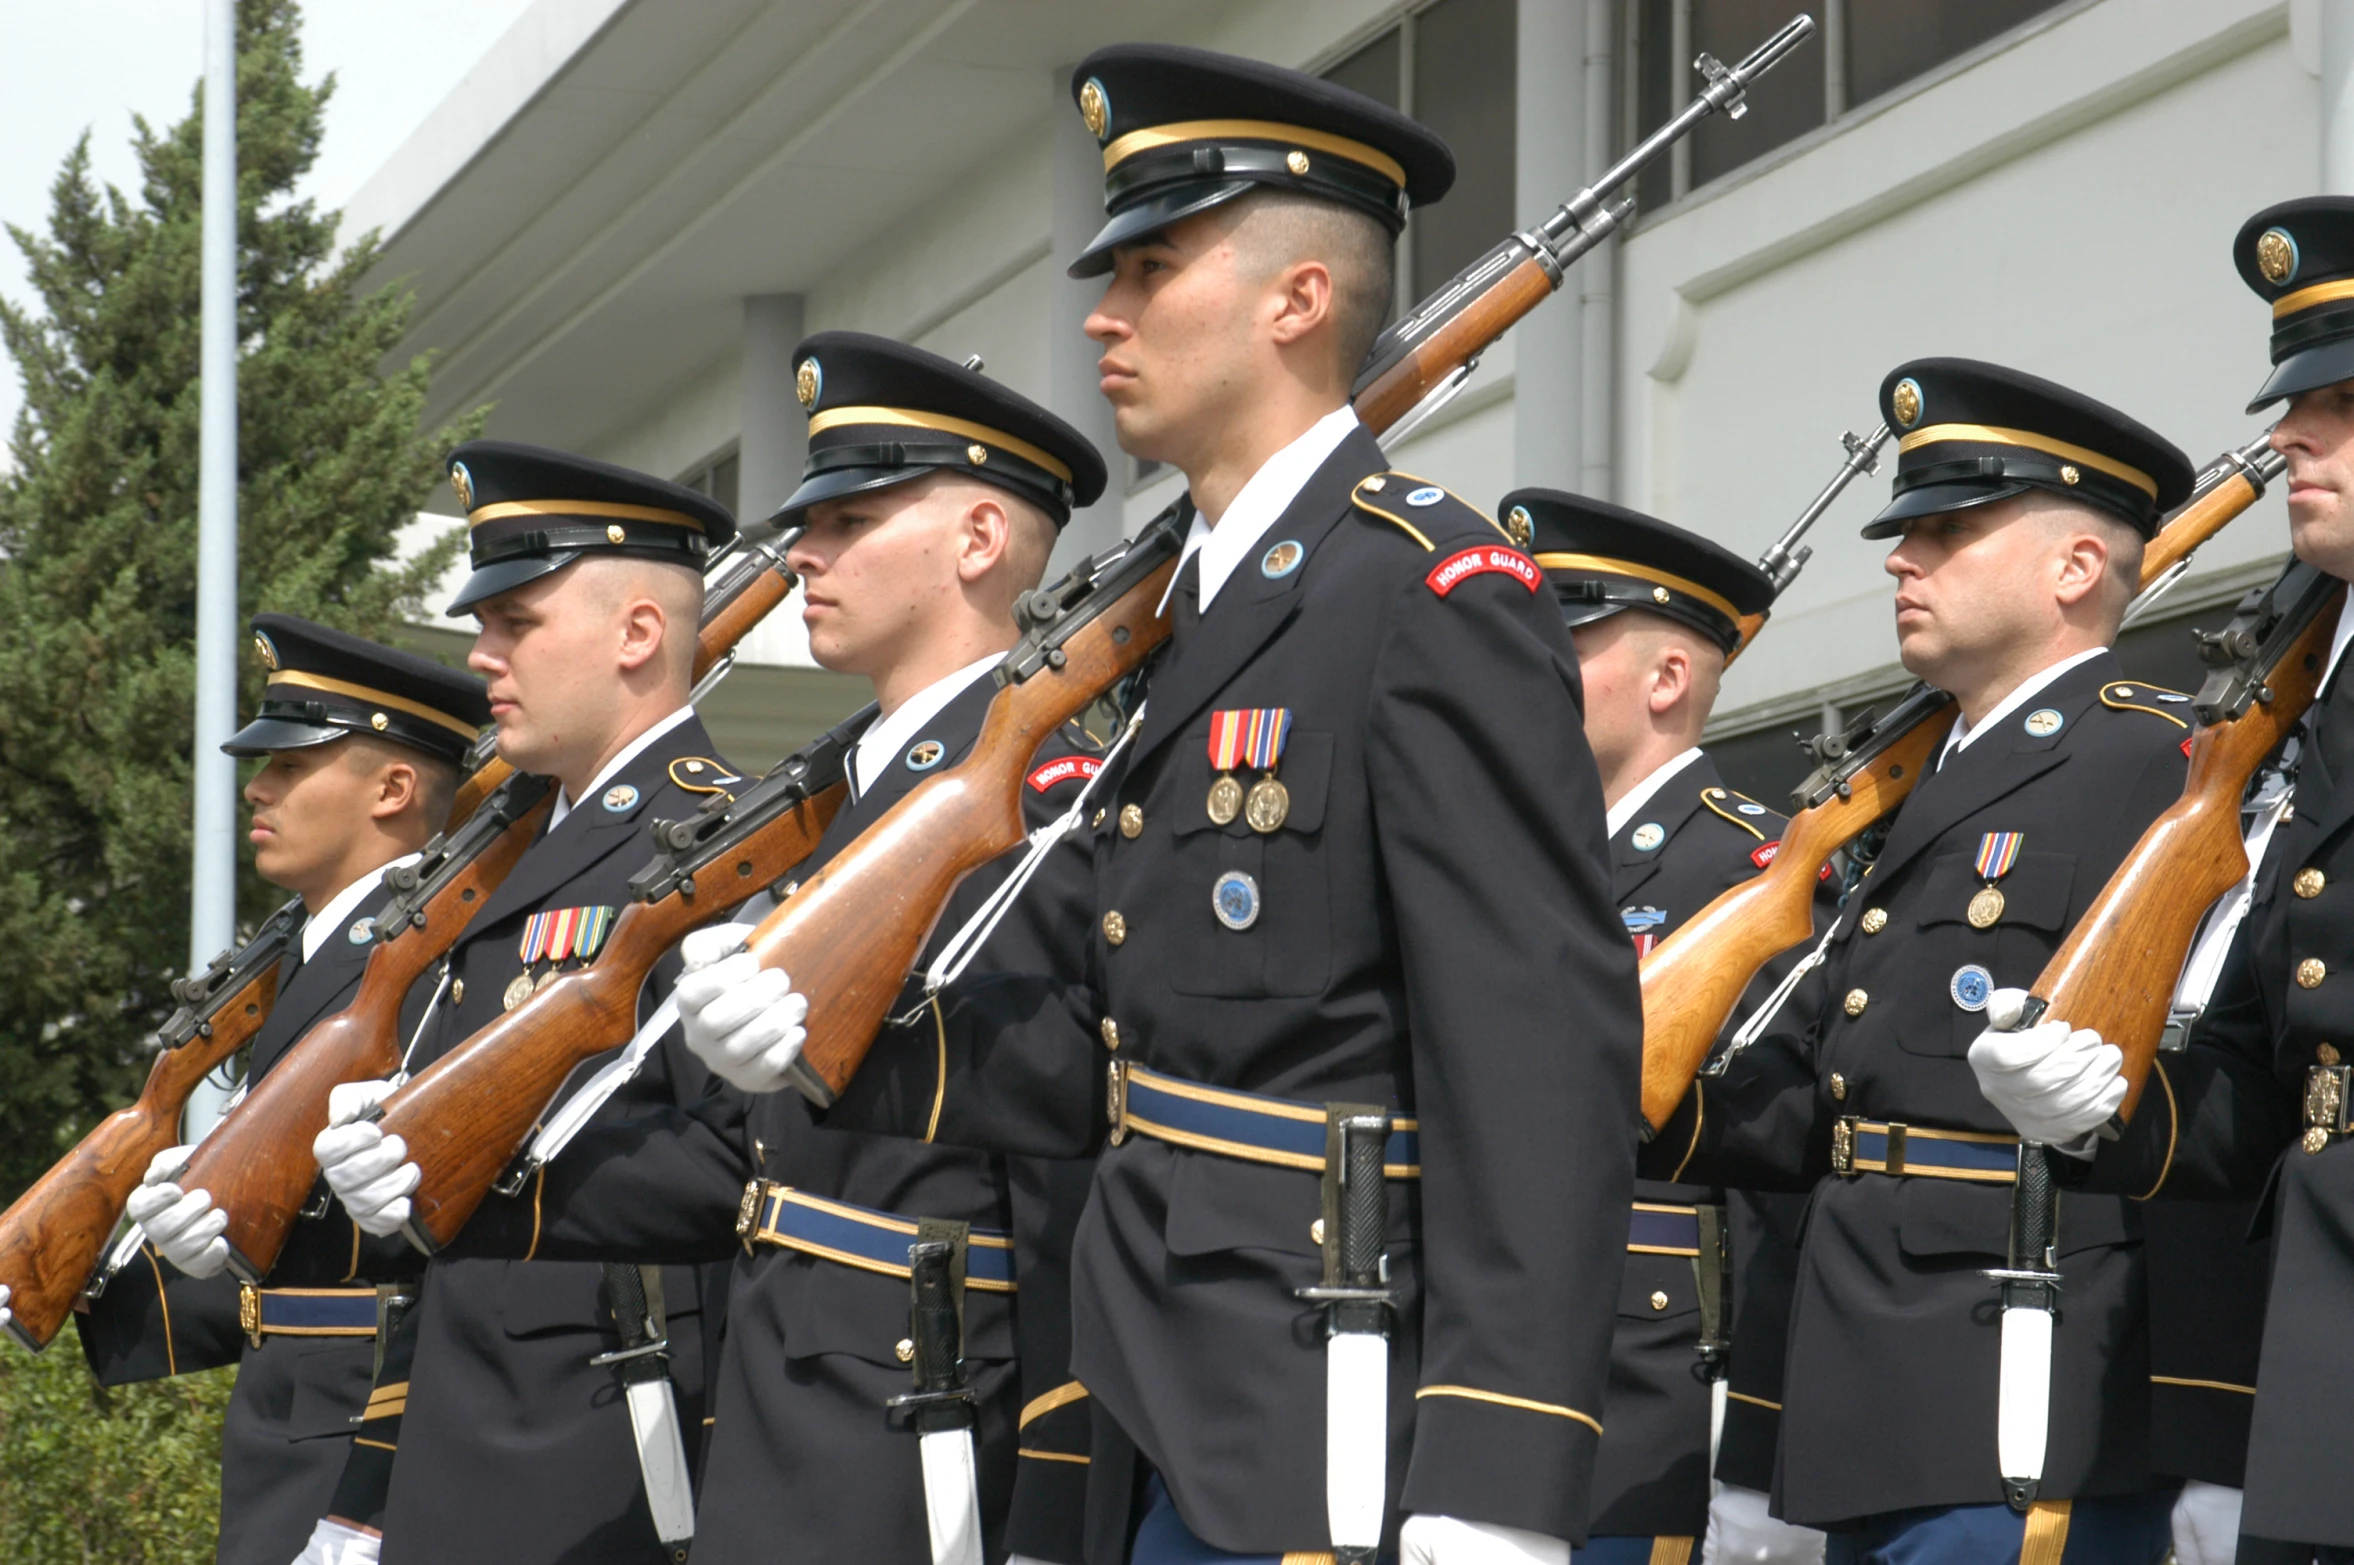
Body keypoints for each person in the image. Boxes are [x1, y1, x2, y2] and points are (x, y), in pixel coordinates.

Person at [686, 44, 1642, 1563]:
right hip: (1149, 1395)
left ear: (1296, 300)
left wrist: (1501, 1467)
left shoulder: (1422, 592)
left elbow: (1537, 1050)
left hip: (1330, 1415)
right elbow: (1097, 1039)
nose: (1100, 312)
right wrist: (820, 1043)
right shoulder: (1182, 622)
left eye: (1150, 265)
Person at [318, 337, 1113, 1564]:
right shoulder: (825, 801)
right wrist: (451, 1177)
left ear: (975, 544)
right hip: (775, 1424)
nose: (804, 550)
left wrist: (1057, 1513)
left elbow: (1067, 1182)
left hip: (932, 1447)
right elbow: (728, 1163)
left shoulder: (1043, 789)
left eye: (849, 518)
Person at [1647, 358, 2198, 1562]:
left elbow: (2201, 1091)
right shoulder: (1911, 782)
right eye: (1905, 533)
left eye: (1945, 532)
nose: (1899, 559)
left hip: (2020, 1377)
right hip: (1863, 1385)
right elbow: (1829, 1090)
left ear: (2073, 567)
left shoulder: (2153, 767)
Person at [1966, 198, 2354, 1563]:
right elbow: (2281, 1075)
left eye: (2342, 399)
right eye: (2294, 397)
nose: (2291, 434)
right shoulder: (2321, 685)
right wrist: (2106, 1109)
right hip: (2313, 1359)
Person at [280, 442, 744, 1565]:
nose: (483, 654)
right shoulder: (518, 853)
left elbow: (740, 1161)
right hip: (462, 1432)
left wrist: (469, 1164)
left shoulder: (720, 842)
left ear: (638, 633)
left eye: (518, 623)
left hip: (602, 1444)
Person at [0, 614, 487, 1565]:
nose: (257, 787)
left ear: (394, 787)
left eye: (293, 767)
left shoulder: (429, 963)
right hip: (286, 1413)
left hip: (362, 1422)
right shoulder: (306, 947)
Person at [1509, 489, 1827, 1565]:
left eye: (1565, 638)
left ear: (1666, 679)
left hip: (1652, 1409)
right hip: (1488, 1388)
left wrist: (1759, 1448)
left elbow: (1780, 1167)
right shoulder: (1510, 860)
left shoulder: (1753, 870)